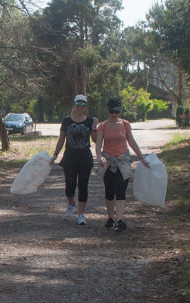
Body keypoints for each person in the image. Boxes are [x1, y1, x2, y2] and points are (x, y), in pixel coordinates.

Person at [95, 97, 150, 232]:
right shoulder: (102, 126)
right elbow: (98, 144)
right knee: (109, 191)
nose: (114, 114)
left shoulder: (125, 124)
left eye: (117, 112)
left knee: (121, 190)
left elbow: (132, 142)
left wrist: (142, 158)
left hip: (122, 162)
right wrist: (99, 157)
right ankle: (110, 217)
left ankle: (119, 220)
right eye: (112, 112)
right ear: (108, 110)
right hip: (108, 161)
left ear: (120, 111)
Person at [50, 94, 98, 225]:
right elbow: (61, 139)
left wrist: (94, 127)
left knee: (83, 185)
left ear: (86, 107)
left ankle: (81, 214)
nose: (80, 107)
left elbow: (95, 140)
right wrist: (55, 154)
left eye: (83, 105)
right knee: (70, 185)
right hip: (70, 157)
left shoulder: (89, 121)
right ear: (74, 105)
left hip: (85, 157)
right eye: (78, 104)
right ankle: (71, 203)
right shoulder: (67, 121)